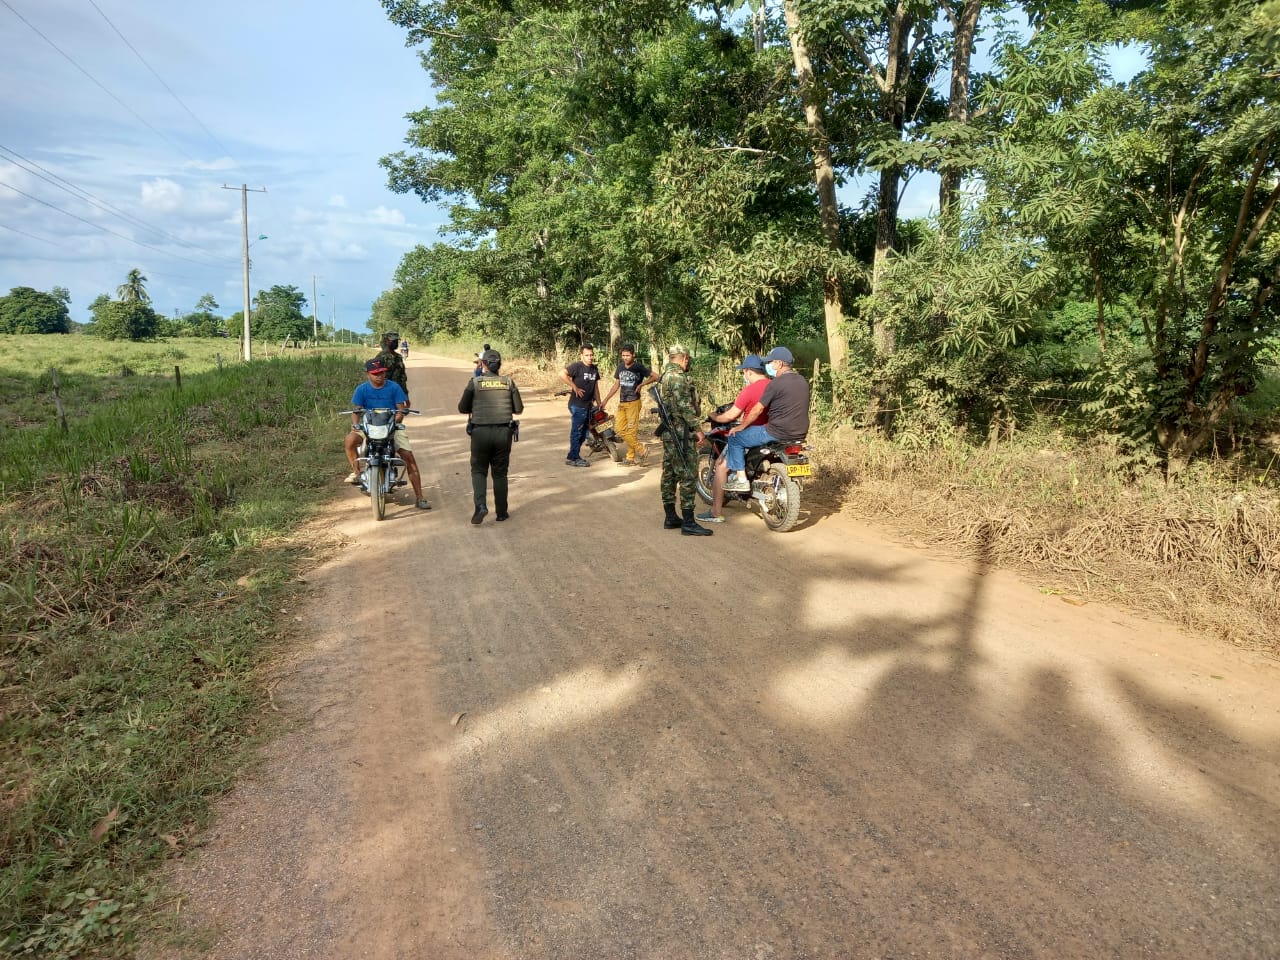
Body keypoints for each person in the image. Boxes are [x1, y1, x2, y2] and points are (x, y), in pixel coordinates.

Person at [721, 346, 810, 494]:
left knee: (735, 438)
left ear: (779, 364)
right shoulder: (802, 381)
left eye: (771, 362)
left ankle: (741, 480)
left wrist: (741, 426)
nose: (768, 366)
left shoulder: (776, 383)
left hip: (776, 432)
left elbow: (758, 409)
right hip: (800, 434)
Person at [344, 358, 431, 510]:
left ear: (385, 373)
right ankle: (357, 473)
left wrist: (395, 422)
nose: (379, 376)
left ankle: (420, 497)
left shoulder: (394, 387)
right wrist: (355, 424)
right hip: (369, 427)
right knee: (349, 440)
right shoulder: (362, 389)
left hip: (391, 426)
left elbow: (400, 410)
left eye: (382, 372)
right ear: (368, 374)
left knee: (409, 457)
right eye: (375, 373)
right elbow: (356, 410)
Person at [696, 354, 771, 524]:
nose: (744, 376)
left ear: (748, 371)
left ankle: (715, 512)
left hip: (750, 434)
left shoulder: (749, 390)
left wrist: (714, 415)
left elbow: (730, 416)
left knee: (722, 466)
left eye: (744, 372)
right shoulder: (773, 386)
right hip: (771, 432)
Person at [458, 348, 523, 524]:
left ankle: (480, 506)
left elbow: (463, 408)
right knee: (500, 473)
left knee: (479, 470)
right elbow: (518, 409)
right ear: (499, 364)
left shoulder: (475, 382)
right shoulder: (509, 383)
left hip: (480, 433)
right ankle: (502, 512)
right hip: (503, 433)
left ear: (483, 364)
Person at [656, 344, 712, 536]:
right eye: (688, 360)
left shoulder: (664, 376)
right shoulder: (678, 377)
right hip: (681, 434)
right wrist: (699, 431)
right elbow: (684, 407)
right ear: (684, 358)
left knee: (670, 473)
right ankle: (688, 522)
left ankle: (670, 516)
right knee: (688, 474)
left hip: (669, 433)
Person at [599, 342, 657, 465]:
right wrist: (605, 400)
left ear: (633, 355)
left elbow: (655, 376)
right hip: (622, 402)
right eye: (623, 355)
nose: (625, 358)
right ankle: (641, 449)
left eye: (627, 355)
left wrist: (642, 384)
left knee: (631, 431)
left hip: (634, 403)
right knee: (619, 429)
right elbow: (616, 385)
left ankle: (630, 458)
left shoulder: (638, 367)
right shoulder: (620, 367)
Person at [561, 343, 601, 466]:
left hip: (588, 405)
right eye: (587, 355)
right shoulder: (577, 367)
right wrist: (574, 387)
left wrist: (599, 402)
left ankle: (572, 455)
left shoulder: (594, 369)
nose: (590, 357)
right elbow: (561, 374)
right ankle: (574, 458)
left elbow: (595, 387)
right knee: (577, 432)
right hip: (577, 405)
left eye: (591, 355)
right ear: (582, 355)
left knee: (584, 433)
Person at [376, 331, 410, 401]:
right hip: (383, 396)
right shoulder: (380, 358)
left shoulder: (398, 357)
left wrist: (406, 396)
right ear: (386, 341)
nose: (395, 342)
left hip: (397, 395)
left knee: (400, 412)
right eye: (393, 341)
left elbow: (402, 378)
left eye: (396, 340)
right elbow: (376, 379)